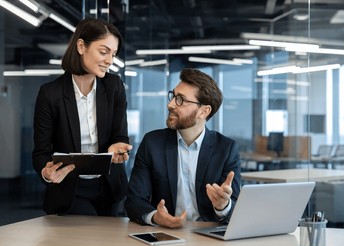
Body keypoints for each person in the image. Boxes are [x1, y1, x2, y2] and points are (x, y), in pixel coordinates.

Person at [32, 18, 132, 216]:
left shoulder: (114, 87)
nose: (110, 61)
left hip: (110, 187)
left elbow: (120, 136)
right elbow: (41, 153)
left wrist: (117, 148)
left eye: (113, 54)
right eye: (103, 52)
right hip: (70, 190)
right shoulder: (50, 94)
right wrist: (46, 172)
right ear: (81, 46)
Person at [125, 68, 241, 228]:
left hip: (208, 237)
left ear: (203, 111)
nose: (170, 104)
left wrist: (223, 206)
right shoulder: (152, 143)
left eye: (180, 100)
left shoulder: (226, 149)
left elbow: (235, 208)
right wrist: (156, 217)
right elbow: (134, 200)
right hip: (166, 234)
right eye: (173, 96)